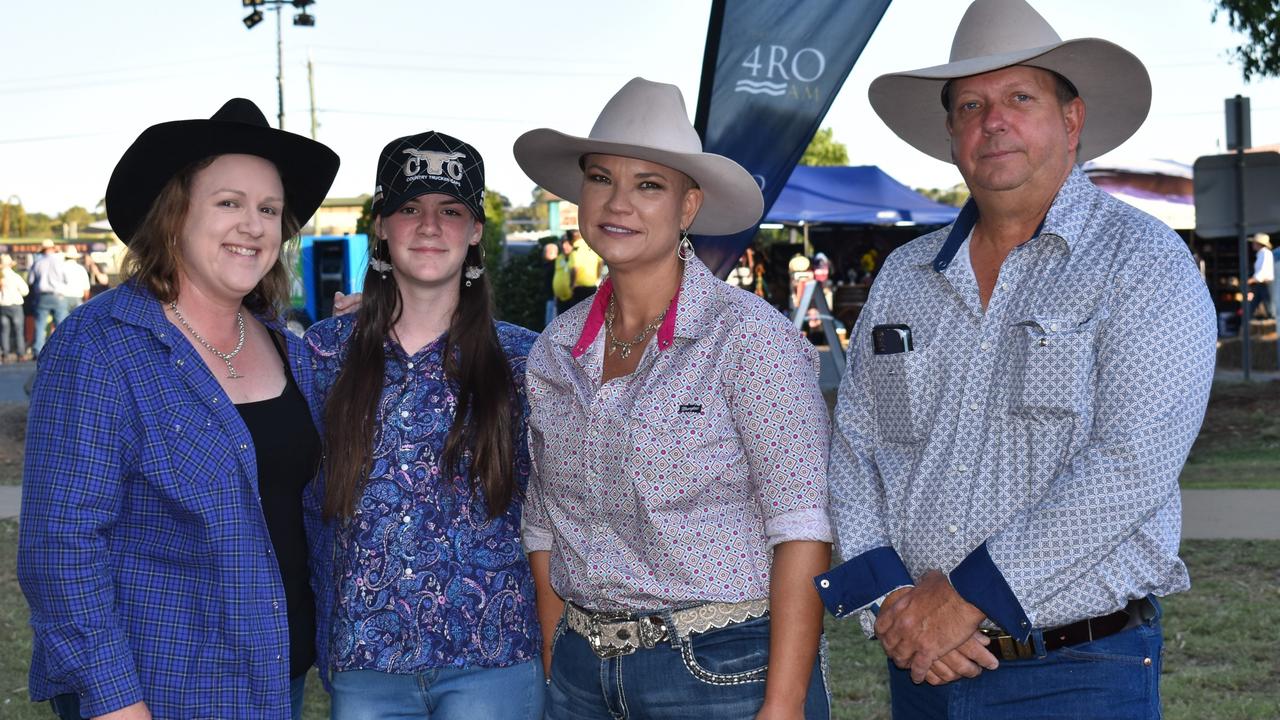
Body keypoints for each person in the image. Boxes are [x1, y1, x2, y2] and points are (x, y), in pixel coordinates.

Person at [816, 1, 1218, 717]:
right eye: (970, 104)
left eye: (1018, 98)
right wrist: (894, 602)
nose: (991, 120)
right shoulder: (905, 277)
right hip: (923, 667)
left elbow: (1132, 461)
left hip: (1078, 671)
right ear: (950, 134)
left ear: (1071, 120)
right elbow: (853, 448)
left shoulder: (1144, 262)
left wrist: (967, 600)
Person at [514, 77, 832, 719]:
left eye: (648, 184)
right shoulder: (555, 351)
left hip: (722, 671)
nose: (618, 202)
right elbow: (544, 525)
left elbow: (802, 531)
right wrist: (558, 667)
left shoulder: (748, 339)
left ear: (688, 207)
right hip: (582, 672)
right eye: (601, 178)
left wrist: (784, 705)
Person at [17, 97, 339, 720]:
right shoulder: (102, 345)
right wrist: (116, 705)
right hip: (159, 694)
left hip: (275, 683)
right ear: (173, 217)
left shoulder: (285, 345)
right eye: (229, 203)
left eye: (269, 209)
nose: (254, 225)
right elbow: (62, 548)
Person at [305, 130, 544, 719]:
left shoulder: (527, 361)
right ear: (381, 226)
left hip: (494, 653)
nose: (430, 226)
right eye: (409, 208)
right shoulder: (324, 354)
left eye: (451, 210)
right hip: (366, 660)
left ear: (476, 232)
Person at [27, 239, 69, 356]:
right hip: (57, 296)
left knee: (40, 325)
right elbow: (66, 280)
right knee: (62, 325)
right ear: (53, 249)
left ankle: (37, 351)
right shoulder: (60, 262)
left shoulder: (38, 263)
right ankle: (64, 350)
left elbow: (30, 280)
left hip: (42, 296)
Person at [0, 253, 29, 361]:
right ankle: (20, 353)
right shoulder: (15, 277)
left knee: (4, 331)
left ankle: (5, 353)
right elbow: (25, 291)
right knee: (18, 330)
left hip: (2, 305)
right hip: (15, 305)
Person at [565, 227, 603, 309]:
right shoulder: (591, 247)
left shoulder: (575, 250)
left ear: (570, 239)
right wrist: (597, 277)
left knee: (577, 317)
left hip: (579, 289)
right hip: (592, 287)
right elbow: (600, 262)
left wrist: (572, 285)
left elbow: (574, 269)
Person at [1246, 232, 1274, 320]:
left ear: (1258, 244)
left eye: (1254, 243)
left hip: (1265, 284)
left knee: (1270, 308)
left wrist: (1251, 280)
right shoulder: (1261, 254)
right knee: (1252, 306)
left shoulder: (1265, 253)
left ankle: (1274, 327)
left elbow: (1263, 271)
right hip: (1261, 284)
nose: (1252, 244)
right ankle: (1247, 325)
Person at [59, 246, 92, 313]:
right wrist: (85, 301)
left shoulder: (60, 268)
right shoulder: (81, 269)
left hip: (63, 298)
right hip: (77, 298)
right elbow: (86, 288)